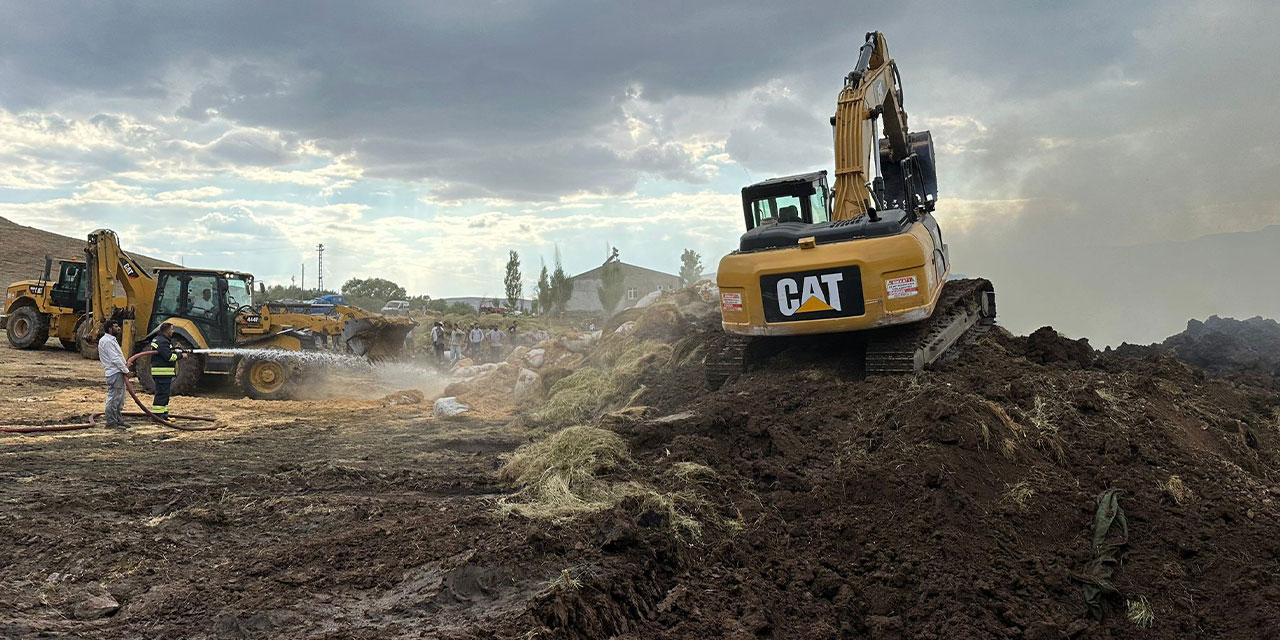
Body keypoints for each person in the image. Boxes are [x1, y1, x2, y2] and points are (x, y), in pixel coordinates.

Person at [149, 322, 188, 421]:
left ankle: (163, 413)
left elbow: (166, 352)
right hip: (162, 372)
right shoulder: (162, 341)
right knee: (162, 394)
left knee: (165, 394)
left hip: (163, 372)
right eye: (171, 329)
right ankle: (157, 416)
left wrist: (176, 349)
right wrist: (181, 356)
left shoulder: (162, 340)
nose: (173, 331)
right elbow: (169, 357)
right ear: (166, 331)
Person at [98, 319, 131, 429]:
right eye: (116, 326)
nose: (118, 328)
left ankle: (118, 420)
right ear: (110, 329)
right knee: (114, 398)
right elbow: (115, 358)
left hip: (118, 372)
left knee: (120, 399)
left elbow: (118, 357)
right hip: (114, 373)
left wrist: (125, 365)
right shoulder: (107, 341)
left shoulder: (111, 340)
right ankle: (111, 422)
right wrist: (126, 370)